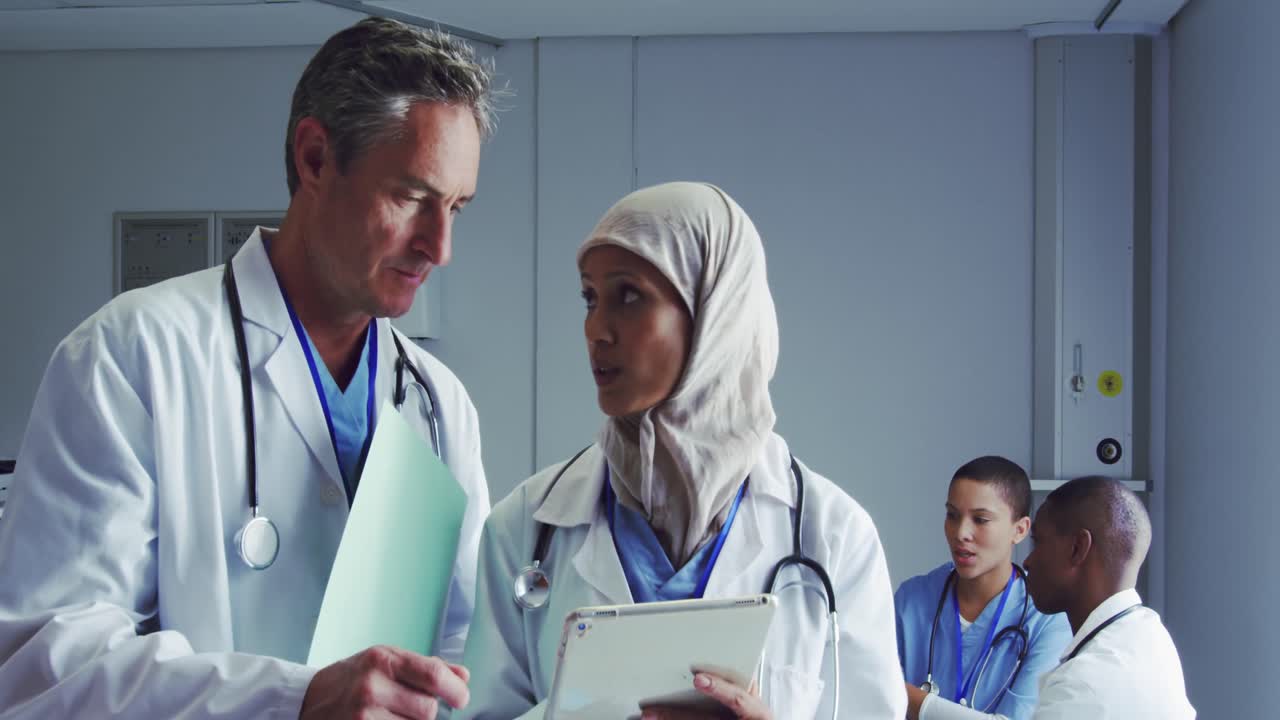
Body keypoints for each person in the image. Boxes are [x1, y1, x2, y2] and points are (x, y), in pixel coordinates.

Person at [0, 17, 496, 719]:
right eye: (412, 198)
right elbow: (44, 669)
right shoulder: (132, 354)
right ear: (315, 159)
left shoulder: (436, 402)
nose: (439, 247)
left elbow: (464, 650)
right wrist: (291, 700)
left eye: (456, 208)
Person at [456, 181, 906, 720]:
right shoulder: (524, 528)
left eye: (628, 296)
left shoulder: (833, 538)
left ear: (714, 315)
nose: (595, 330)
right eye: (589, 298)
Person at [895, 456, 1071, 720]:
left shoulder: (1046, 618)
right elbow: (872, 698)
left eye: (980, 520)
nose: (961, 532)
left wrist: (912, 700)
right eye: (952, 516)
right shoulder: (911, 600)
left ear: (1020, 529)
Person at [1023, 476, 1194, 719]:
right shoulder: (1152, 636)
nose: (1028, 561)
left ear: (1078, 548)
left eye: (1037, 542)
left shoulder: (1084, 684)